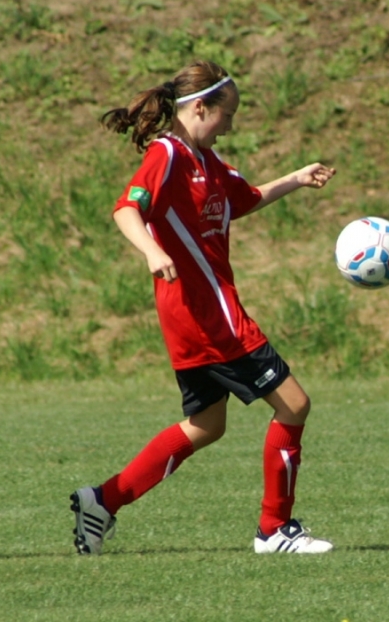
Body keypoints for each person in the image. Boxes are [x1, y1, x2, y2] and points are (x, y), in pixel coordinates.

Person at [70, 61, 337, 555]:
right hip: (209, 316)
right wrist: (152, 250)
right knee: (294, 404)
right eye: (226, 115)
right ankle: (274, 529)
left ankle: (103, 500)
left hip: (196, 317)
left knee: (207, 425)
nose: (229, 126)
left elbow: (246, 199)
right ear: (199, 109)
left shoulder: (208, 163)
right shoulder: (168, 155)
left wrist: (297, 178)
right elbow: (127, 208)